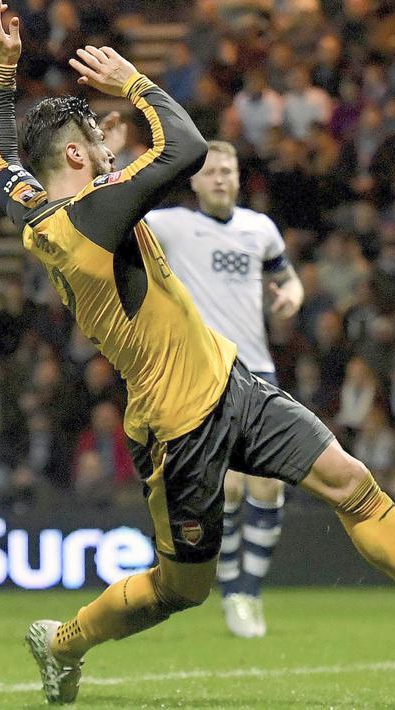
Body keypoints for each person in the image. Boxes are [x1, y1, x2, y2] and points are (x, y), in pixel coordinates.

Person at [0, 3, 395, 704]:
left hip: (230, 382)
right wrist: (133, 83)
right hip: (176, 423)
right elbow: (185, 150)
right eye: (97, 141)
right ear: (75, 156)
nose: (108, 148)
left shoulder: (36, 209)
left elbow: (1, 158)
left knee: (349, 480)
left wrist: (3, 70)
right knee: (180, 588)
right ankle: (62, 642)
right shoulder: (94, 214)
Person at [142, 140, 302, 639]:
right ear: (193, 181)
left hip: (258, 369)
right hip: (202, 374)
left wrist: (291, 298)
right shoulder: (170, 225)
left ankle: (247, 592)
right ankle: (235, 591)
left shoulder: (261, 229)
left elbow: (288, 278)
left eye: (227, 170)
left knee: (270, 484)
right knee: (229, 488)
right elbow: (118, 213)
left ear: (238, 177)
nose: (219, 178)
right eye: (209, 171)